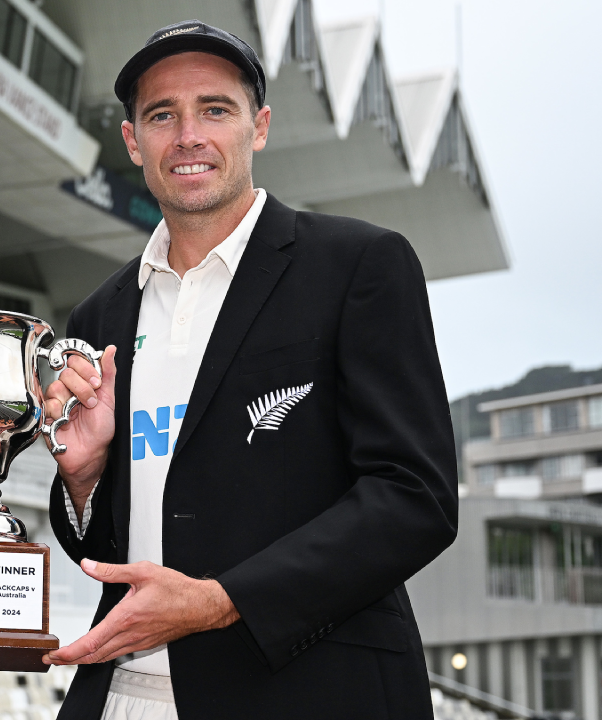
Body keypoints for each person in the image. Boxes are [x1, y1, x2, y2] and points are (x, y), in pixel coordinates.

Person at [41, 20, 458, 720]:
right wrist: (81, 479)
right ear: (132, 141)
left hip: (306, 690)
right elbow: (102, 542)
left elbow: (414, 495)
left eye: (215, 109)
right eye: (162, 115)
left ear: (258, 127)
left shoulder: (358, 266)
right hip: (126, 695)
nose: (188, 135)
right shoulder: (97, 317)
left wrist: (221, 601)